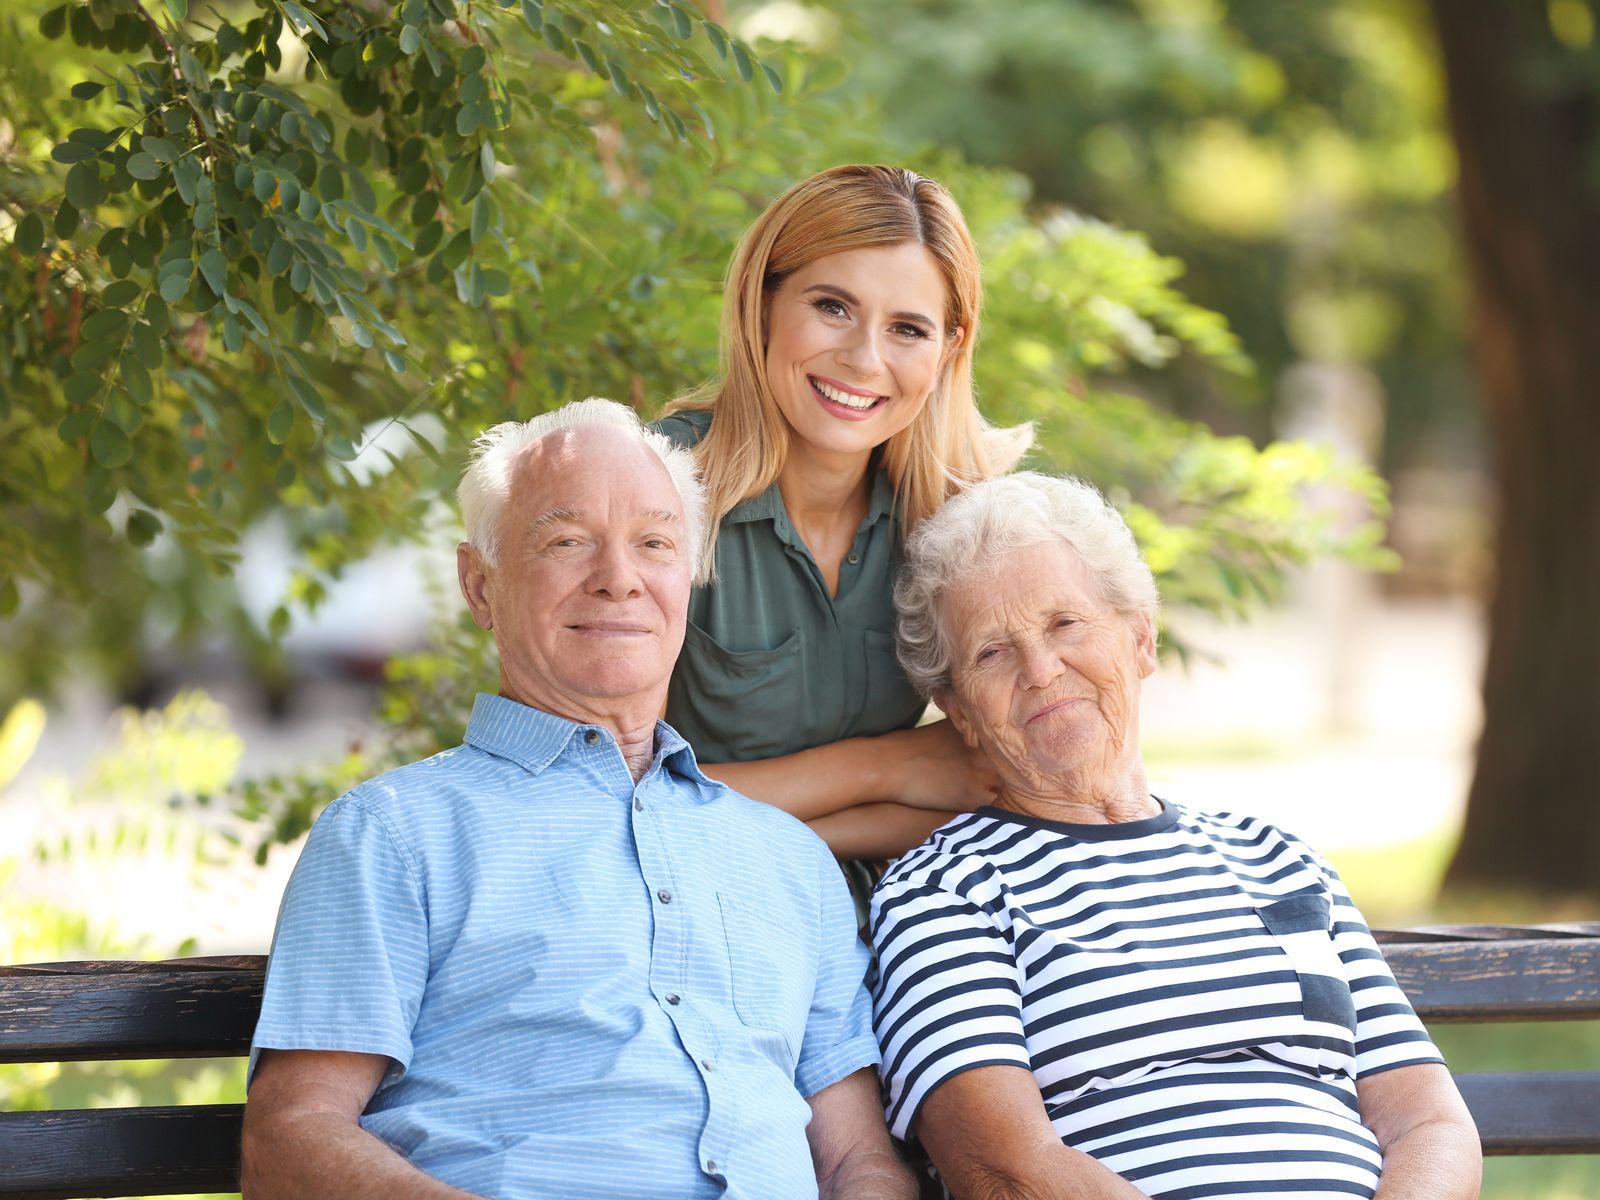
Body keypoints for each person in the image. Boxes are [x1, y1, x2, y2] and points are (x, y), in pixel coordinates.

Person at [241, 399, 914, 1200]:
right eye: (567, 542)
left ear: (689, 580)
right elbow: (289, 1141)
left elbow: (854, 1161)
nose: (619, 578)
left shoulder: (790, 858)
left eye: (655, 544)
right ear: (480, 586)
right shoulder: (393, 835)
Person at [868, 473, 1483, 1200]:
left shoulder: (1279, 860)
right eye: (991, 654)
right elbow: (1005, 1171)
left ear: (1140, 639)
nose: (1041, 670)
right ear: (959, 712)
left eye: (1066, 624)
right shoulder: (943, 892)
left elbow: (1430, 1125)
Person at [653, 163, 1029, 865]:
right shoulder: (654, 490)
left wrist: (810, 827)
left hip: (899, 930)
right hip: (691, 929)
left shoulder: (966, 524)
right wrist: (888, 768)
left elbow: (1018, 786)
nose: (863, 359)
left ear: (949, 347)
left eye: (908, 329)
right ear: (761, 303)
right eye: (832, 307)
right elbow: (602, 799)